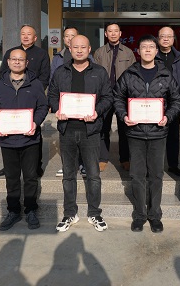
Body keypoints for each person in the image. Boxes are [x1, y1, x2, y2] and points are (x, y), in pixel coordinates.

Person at [113, 35, 180, 233]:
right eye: (144, 47)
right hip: (135, 133)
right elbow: (117, 97)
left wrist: (167, 117)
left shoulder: (165, 75)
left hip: (158, 133)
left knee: (156, 175)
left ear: (156, 51)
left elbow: (177, 100)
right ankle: (139, 215)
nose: (148, 50)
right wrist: (124, 115)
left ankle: (154, 215)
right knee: (137, 175)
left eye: (151, 47)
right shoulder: (129, 74)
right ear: (138, 51)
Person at [48, 35, 113, 232]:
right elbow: (52, 95)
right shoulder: (61, 72)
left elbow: (108, 97)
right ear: (70, 49)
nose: (79, 50)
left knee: (93, 175)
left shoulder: (99, 72)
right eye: (75, 47)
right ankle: (70, 213)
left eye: (83, 47)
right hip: (67, 130)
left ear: (89, 49)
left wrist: (97, 112)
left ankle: (95, 213)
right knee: (68, 175)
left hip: (90, 131)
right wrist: (57, 109)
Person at [0, 49, 49, 231]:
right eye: (14, 59)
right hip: (8, 140)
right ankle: (13, 211)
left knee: (30, 177)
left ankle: (31, 210)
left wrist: (35, 123)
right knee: (12, 178)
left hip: (30, 140)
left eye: (21, 59)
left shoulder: (36, 84)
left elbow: (43, 106)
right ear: (8, 62)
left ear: (26, 63)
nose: (17, 62)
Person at [0, 24, 51, 178]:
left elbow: (45, 76)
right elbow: (2, 74)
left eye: (29, 34)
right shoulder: (11, 52)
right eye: (23, 34)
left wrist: (35, 92)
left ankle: (36, 166)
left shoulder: (41, 54)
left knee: (34, 131)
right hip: (11, 95)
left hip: (31, 96)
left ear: (35, 37)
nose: (25, 36)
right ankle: (9, 167)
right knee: (10, 132)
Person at [93, 22, 136, 171]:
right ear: (106, 34)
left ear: (120, 33)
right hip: (104, 95)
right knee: (103, 127)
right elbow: (95, 74)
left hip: (122, 95)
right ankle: (102, 158)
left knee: (124, 128)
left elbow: (133, 75)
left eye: (115, 31)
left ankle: (125, 158)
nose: (113, 33)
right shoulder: (99, 52)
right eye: (110, 31)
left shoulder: (128, 53)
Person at [50, 26, 86, 177]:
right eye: (67, 36)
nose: (70, 38)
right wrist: (54, 105)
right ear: (64, 39)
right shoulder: (58, 57)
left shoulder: (87, 56)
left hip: (83, 104)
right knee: (65, 136)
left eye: (73, 35)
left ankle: (83, 164)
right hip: (65, 106)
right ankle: (67, 165)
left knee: (84, 136)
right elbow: (52, 80)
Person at [155, 26, 180, 177]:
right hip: (156, 103)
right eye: (163, 36)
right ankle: (154, 166)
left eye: (169, 36)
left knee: (173, 136)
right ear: (158, 39)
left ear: (173, 39)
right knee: (155, 136)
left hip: (174, 102)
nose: (166, 39)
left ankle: (173, 165)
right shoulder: (153, 55)